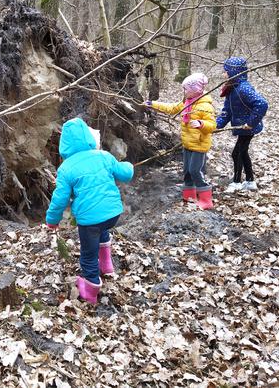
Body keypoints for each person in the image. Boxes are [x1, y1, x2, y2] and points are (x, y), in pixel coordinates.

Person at [45, 118, 134, 305]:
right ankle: (107, 265)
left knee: (88, 253)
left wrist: (52, 220)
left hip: (89, 220)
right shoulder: (104, 156)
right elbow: (125, 173)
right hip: (113, 214)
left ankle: (91, 289)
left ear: (65, 144)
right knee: (103, 229)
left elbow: (60, 199)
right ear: (88, 137)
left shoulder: (66, 168)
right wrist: (130, 166)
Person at [144, 73, 216, 209]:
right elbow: (171, 108)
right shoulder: (187, 102)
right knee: (187, 171)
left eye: (186, 89)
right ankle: (189, 194)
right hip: (187, 143)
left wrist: (201, 123)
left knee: (195, 170)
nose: (184, 92)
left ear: (195, 90)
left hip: (199, 145)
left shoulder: (205, 106)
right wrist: (152, 104)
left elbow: (212, 125)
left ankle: (206, 199)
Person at [216, 57, 269, 192]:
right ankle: (250, 181)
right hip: (241, 126)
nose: (224, 74)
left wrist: (250, 123)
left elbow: (262, 104)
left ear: (234, 72)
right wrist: (217, 125)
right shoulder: (232, 88)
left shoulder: (243, 88)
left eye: (226, 71)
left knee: (237, 153)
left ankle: (237, 182)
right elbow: (227, 110)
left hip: (247, 127)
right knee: (243, 152)